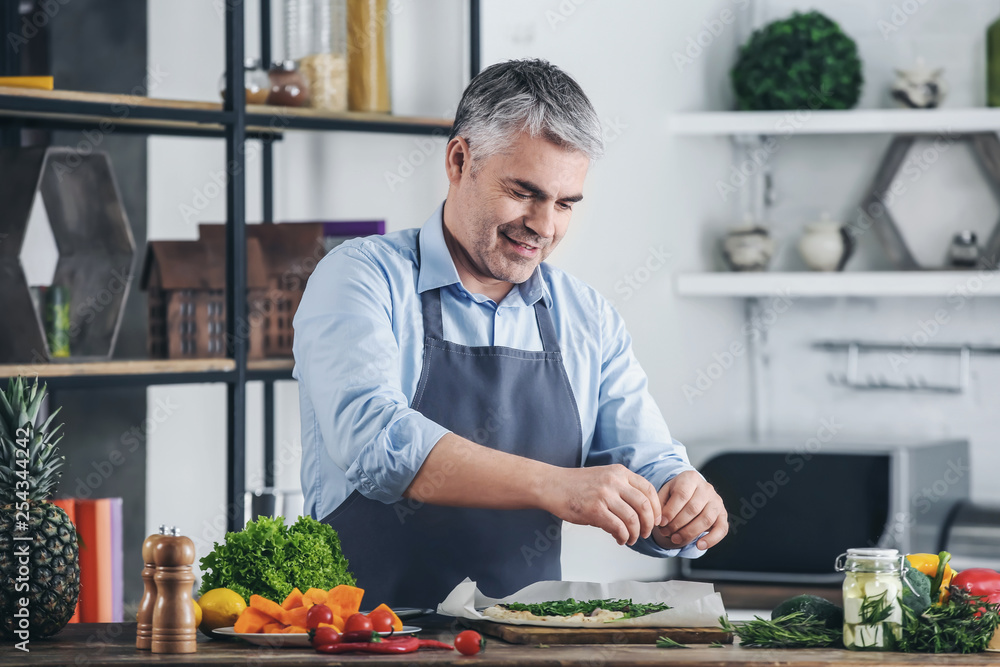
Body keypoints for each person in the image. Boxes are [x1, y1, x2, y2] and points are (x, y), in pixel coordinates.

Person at [293, 59, 728, 609]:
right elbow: (376, 441)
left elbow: (646, 461)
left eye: (565, 203)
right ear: (459, 160)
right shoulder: (360, 276)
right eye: (524, 192)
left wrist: (680, 502)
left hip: (525, 641)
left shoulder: (586, 316)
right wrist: (556, 485)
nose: (544, 226)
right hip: (363, 637)